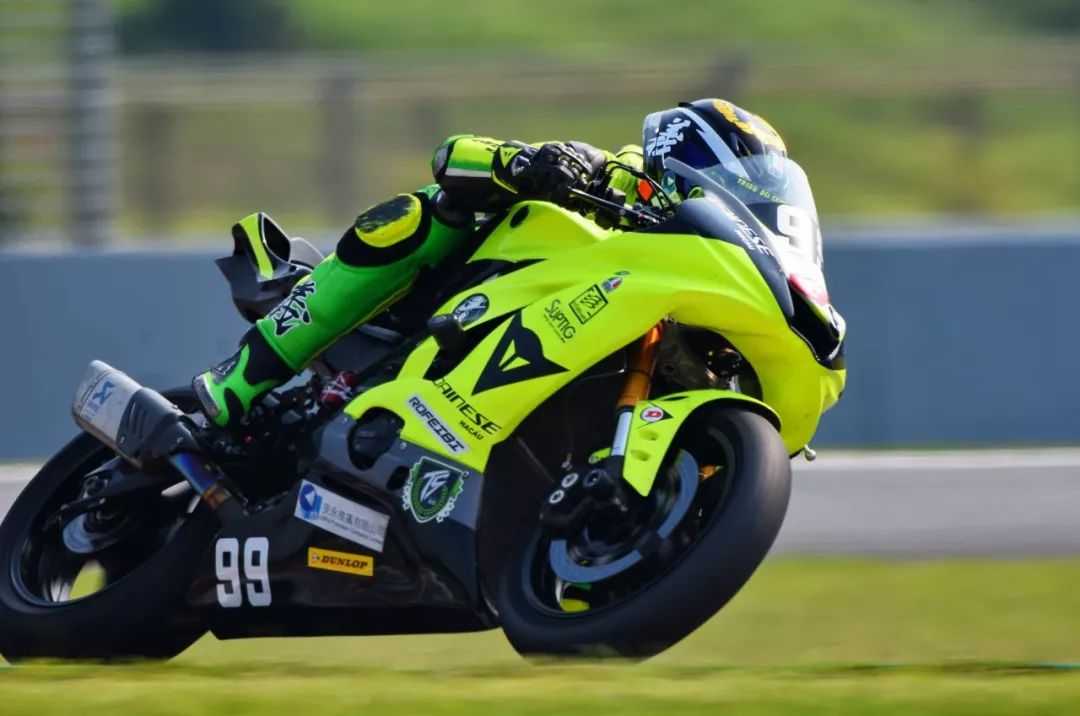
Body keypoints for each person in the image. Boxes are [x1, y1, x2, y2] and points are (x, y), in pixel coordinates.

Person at [193, 98, 790, 427]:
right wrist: (530, 166)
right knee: (425, 212)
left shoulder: (718, 253)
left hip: (574, 349)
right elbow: (452, 155)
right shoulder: (617, 173)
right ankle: (240, 378)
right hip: (460, 306)